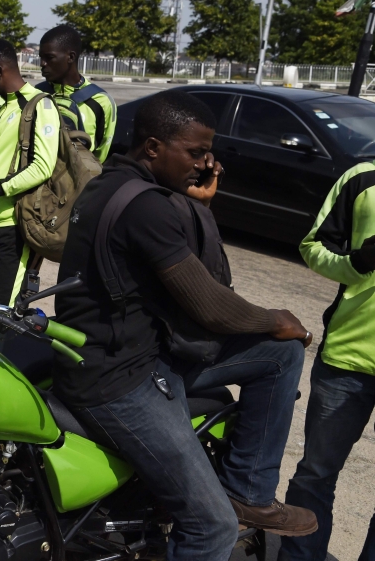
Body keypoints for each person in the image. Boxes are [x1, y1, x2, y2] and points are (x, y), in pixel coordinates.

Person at [53, 90, 317, 560]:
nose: (204, 163)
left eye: (207, 153)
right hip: (119, 380)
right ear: (154, 148)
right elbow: (210, 303)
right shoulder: (147, 207)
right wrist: (275, 318)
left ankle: (248, 493)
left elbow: (198, 278)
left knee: (278, 356)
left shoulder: (111, 182)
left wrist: (200, 207)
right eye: (195, 152)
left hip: (146, 354)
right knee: (211, 527)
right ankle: (226, 508)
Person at [280, 162, 375, 561]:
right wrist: (355, 263)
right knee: (316, 474)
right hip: (348, 359)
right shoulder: (363, 179)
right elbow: (313, 246)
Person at [0, 39, 61, 305]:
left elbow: (43, 165)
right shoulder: (5, 108)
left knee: (1, 312)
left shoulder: (38, 105)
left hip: (12, 228)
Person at [36, 25, 117, 162]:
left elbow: (101, 154)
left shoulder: (100, 101)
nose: (42, 64)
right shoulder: (37, 93)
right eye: (41, 57)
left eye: (49, 57)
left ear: (71, 57)